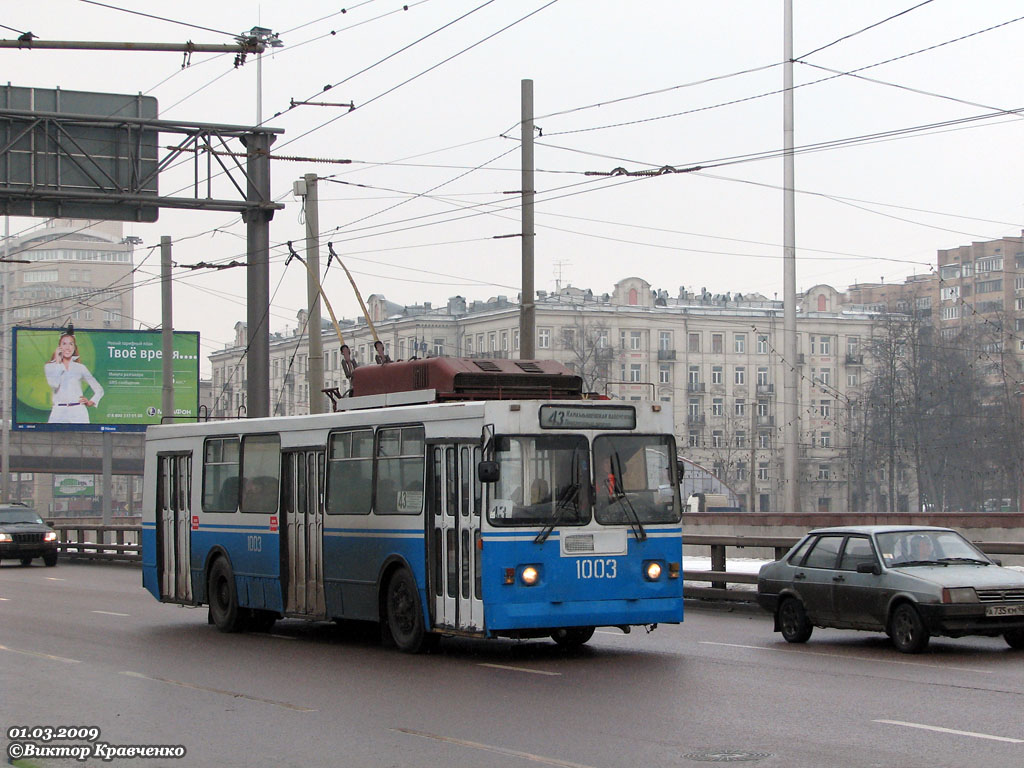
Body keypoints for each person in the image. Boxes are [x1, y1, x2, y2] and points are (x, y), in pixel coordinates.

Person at [44, 331, 104, 424]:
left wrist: (91, 402)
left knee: (84, 438)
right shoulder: (50, 366)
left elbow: (99, 389)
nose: (67, 347)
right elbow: (54, 384)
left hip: (78, 412)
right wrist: (58, 363)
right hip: (58, 412)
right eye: (64, 344)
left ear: (74, 347)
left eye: (71, 344)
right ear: (59, 347)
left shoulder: (80, 367)